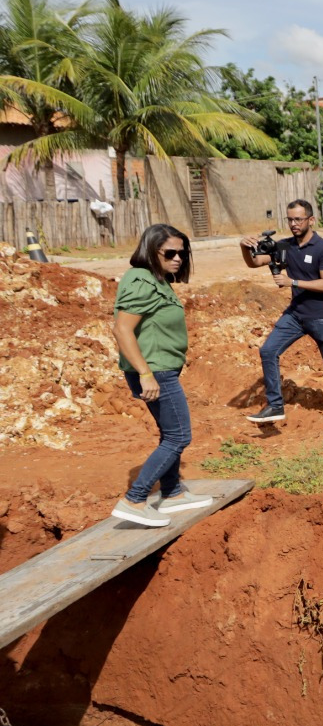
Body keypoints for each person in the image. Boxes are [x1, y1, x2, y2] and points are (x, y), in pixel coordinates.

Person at [110, 223, 214, 527]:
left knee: (170, 433)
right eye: (170, 252)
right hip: (155, 372)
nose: (178, 258)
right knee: (180, 435)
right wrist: (145, 374)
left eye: (182, 253)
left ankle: (172, 494)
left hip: (161, 369)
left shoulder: (157, 280)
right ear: (151, 250)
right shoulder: (142, 280)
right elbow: (122, 329)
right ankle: (135, 499)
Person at [240, 199, 323, 429]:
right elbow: (255, 262)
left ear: (311, 220)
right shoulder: (285, 246)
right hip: (295, 315)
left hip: (322, 316)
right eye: (290, 219)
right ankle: (275, 405)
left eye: (298, 219)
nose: (294, 224)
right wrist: (244, 247)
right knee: (268, 350)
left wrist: (292, 281)